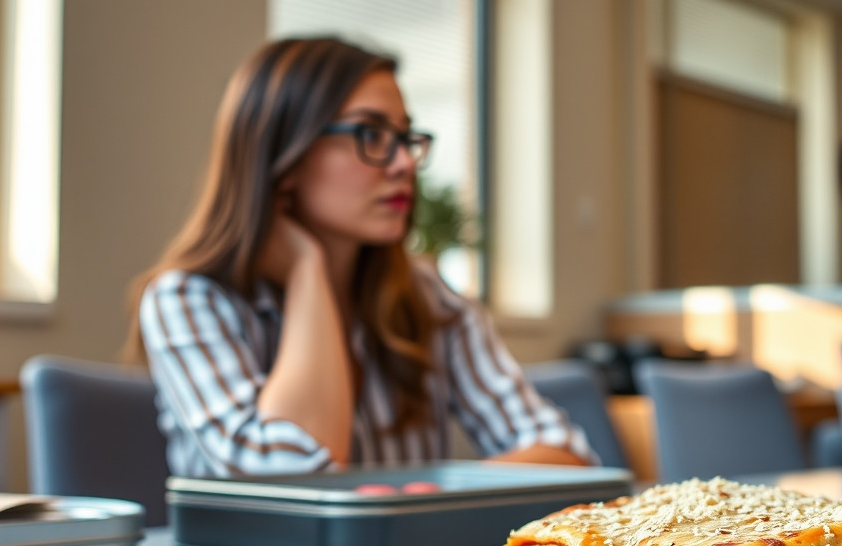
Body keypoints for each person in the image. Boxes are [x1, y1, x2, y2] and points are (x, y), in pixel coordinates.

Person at [128, 37, 594, 477]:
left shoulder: (429, 298)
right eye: (369, 133)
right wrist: (307, 272)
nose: (403, 163)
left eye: (405, 137)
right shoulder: (188, 300)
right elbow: (297, 474)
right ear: (285, 154)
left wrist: (424, 497)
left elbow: (567, 454)